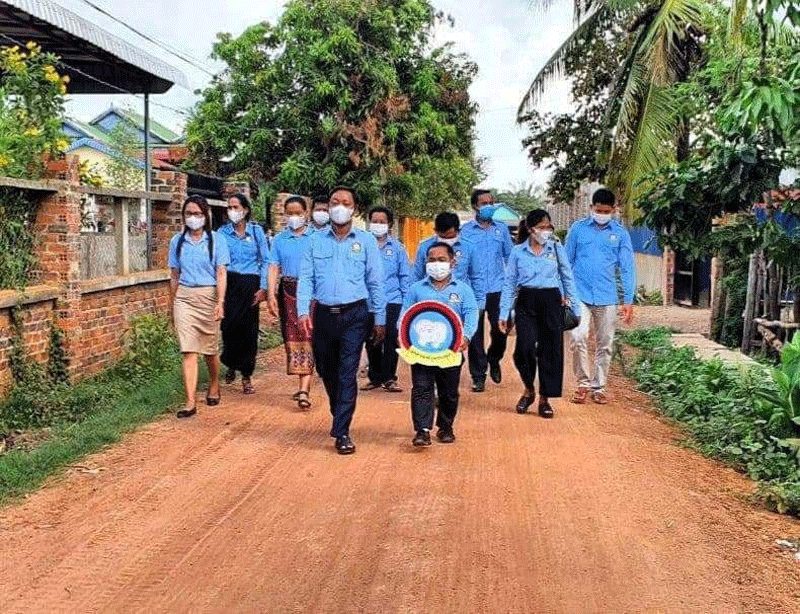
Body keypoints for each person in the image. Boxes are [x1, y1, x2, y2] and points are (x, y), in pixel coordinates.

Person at [297, 187, 386, 455]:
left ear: (354, 209)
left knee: (347, 372)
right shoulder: (314, 241)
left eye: (345, 203)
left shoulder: (366, 241)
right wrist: (302, 312)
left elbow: (375, 281)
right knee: (327, 370)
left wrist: (379, 319)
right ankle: (340, 413)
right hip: (324, 314)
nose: (339, 207)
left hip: (355, 315)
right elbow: (306, 278)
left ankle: (342, 432)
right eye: (334, 202)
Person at [499, 209, 580, 418]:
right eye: (541, 227)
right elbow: (509, 283)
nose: (546, 231)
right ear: (530, 228)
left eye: (548, 227)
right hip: (526, 301)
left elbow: (567, 276)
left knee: (550, 350)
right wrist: (504, 312)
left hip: (551, 300)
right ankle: (529, 389)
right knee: (524, 349)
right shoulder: (518, 252)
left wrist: (575, 307)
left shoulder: (556, 248)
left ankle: (545, 398)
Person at [402, 242, 478, 446]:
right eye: (432, 260)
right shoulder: (416, 289)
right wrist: (403, 336)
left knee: (449, 392)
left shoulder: (463, 290)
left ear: (452, 262)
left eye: (442, 260)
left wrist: (466, 336)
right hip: (421, 350)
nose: (436, 264)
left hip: (451, 351)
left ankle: (446, 427)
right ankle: (422, 430)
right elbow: (405, 316)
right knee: (421, 388)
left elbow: (471, 314)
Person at [565, 188, 636, 405]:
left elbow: (627, 268)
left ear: (613, 210)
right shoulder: (578, 229)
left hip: (608, 296)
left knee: (605, 343)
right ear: (591, 208)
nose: (602, 214)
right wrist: (563, 292)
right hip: (580, 294)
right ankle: (582, 384)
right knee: (578, 337)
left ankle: (599, 386)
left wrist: (628, 300)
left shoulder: (621, 234)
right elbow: (566, 262)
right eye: (599, 210)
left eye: (607, 211)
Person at [169, 195, 230, 418]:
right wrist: (172, 303)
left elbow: (221, 272)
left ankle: (214, 383)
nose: (193, 218)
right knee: (188, 349)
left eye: (197, 214)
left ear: (205, 216)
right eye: (189, 214)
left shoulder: (216, 240)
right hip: (184, 297)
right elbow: (174, 275)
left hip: (208, 297)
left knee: (209, 350)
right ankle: (190, 401)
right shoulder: (177, 241)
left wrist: (220, 302)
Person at [460, 189, 513, 392]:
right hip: (474, 289)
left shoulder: (502, 229)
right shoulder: (465, 231)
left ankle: (494, 357)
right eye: (484, 203)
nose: (489, 206)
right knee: (475, 334)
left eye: (491, 202)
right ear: (475, 206)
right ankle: (478, 375)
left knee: (501, 329)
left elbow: (509, 257)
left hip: (498, 288)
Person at [219, 193, 270, 395]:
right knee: (229, 327)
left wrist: (264, 288)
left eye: (236, 207)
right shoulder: (222, 233)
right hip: (229, 283)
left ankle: (247, 374)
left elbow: (266, 260)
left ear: (246, 210)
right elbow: (218, 262)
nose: (232, 211)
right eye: (230, 207)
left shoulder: (256, 232)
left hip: (250, 283)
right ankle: (231, 363)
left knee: (248, 330)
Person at [268, 195, 316, 409]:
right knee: (293, 336)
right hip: (287, 291)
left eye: (298, 213)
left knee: (308, 335)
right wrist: (270, 294)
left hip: (312, 293)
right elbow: (273, 266)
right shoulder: (279, 239)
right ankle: (303, 382)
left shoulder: (316, 237)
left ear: (306, 213)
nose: (294, 217)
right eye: (290, 213)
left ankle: (304, 388)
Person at [361, 206, 410, 393]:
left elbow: (404, 276)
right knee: (371, 338)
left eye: (382, 222)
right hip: (368, 300)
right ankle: (374, 377)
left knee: (391, 338)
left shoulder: (397, 248)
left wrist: (406, 301)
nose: (378, 225)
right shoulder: (362, 245)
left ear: (389, 224)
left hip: (392, 299)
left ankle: (389, 378)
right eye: (374, 221)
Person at [411, 212, 485, 309]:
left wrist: (480, 304)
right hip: (431, 301)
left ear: (458, 231)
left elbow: (477, 277)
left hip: (459, 301)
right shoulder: (425, 247)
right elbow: (416, 275)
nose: (447, 241)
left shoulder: (469, 247)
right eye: (443, 237)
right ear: (436, 231)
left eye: (450, 237)